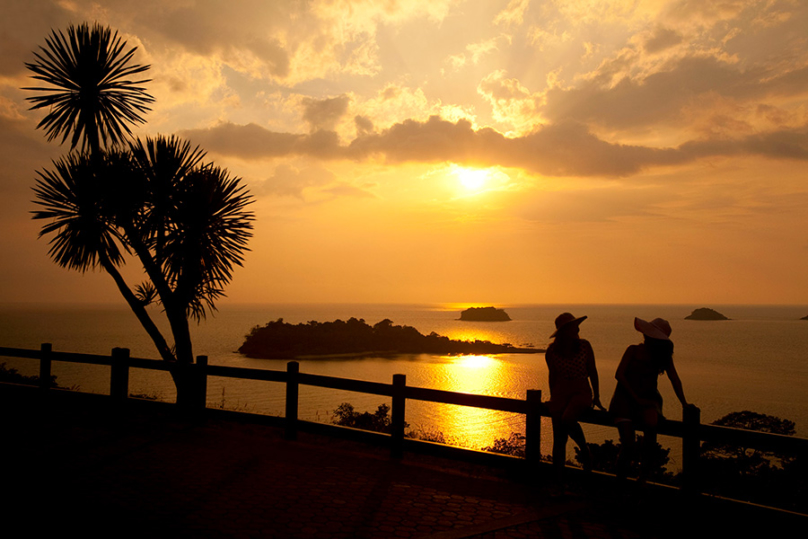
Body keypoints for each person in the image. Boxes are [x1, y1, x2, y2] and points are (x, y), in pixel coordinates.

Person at [609, 317, 693, 481]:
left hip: (648, 399)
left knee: (650, 435)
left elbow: (674, 378)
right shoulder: (633, 350)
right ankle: (621, 481)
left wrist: (684, 403)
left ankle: (643, 479)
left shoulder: (663, 358)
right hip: (624, 399)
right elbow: (619, 374)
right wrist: (636, 398)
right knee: (628, 444)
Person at [545, 312, 604, 487]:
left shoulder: (585, 346)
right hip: (560, 392)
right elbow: (552, 375)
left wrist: (597, 395)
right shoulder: (552, 351)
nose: (577, 329)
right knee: (559, 440)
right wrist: (552, 396)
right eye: (573, 326)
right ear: (564, 331)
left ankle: (584, 450)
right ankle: (559, 482)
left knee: (568, 418)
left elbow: (592, 370)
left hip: (581, 391)